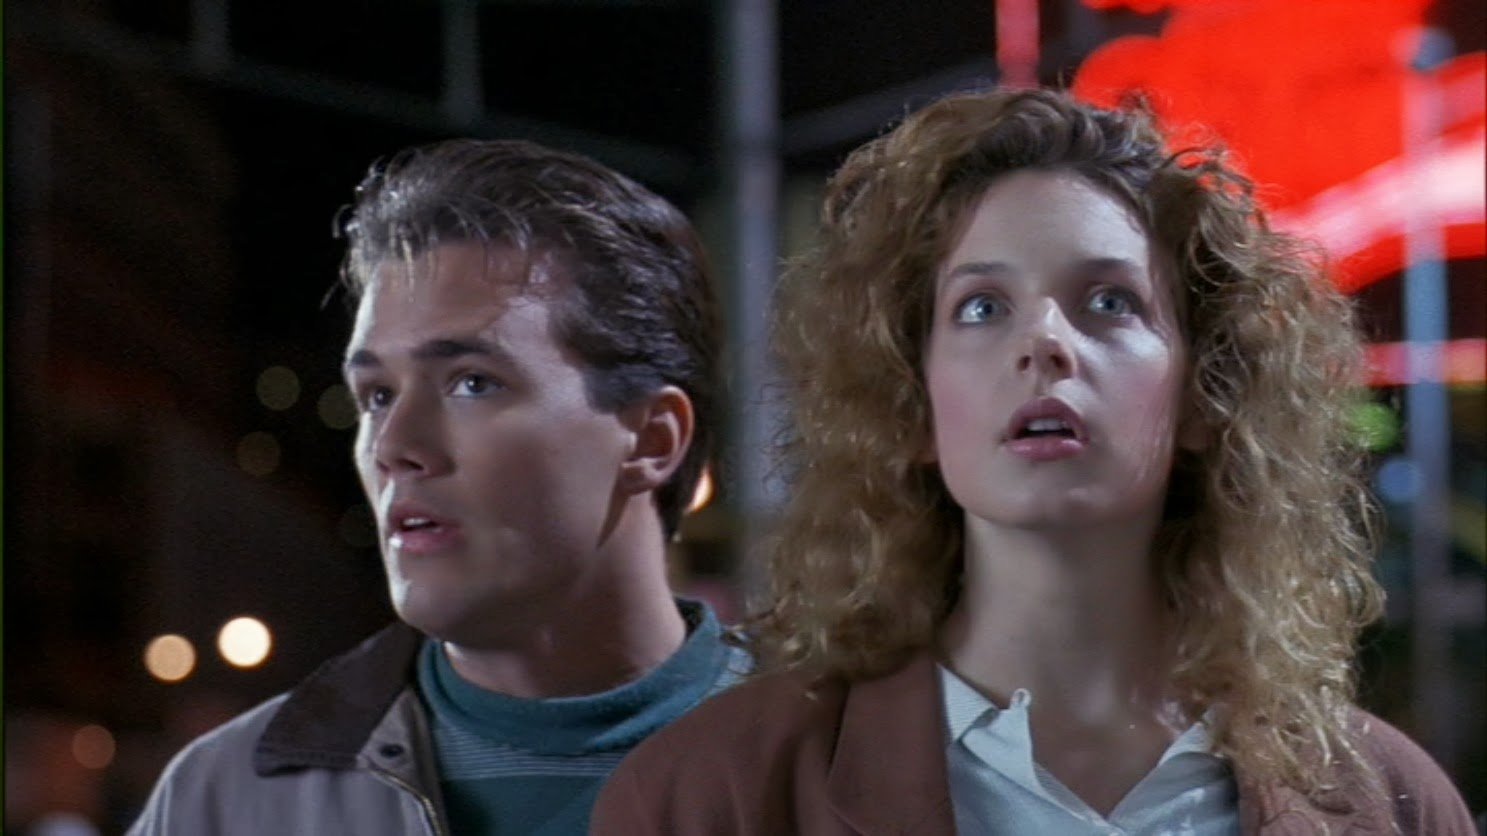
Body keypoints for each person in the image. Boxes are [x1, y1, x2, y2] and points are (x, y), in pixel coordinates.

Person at [591, 89, 1476, 834]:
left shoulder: (1389, 803)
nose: (1045, 340)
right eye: (981, 307)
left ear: (1203, 398)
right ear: (911, 406)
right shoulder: (714, 793)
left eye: (1108, 301)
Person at [129, 139, 748, 835]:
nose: (393, 447)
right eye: (377, 395)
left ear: (652, 439)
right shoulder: (222, 803)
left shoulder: (828, 766)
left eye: (472, 383)